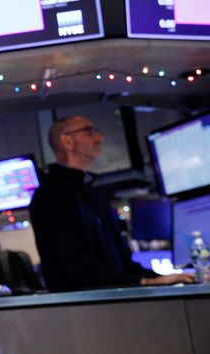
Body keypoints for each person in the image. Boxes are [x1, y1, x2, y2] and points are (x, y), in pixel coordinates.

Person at [29, 115, 194, 292]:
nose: (99, 138)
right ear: (67, 141)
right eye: (90, 132)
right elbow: (75, 266)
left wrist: (158, 278)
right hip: (83, 309)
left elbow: (122, 265)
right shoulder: (51, 195)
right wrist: (143, 282)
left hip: (108, 300)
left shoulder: (92, 193)